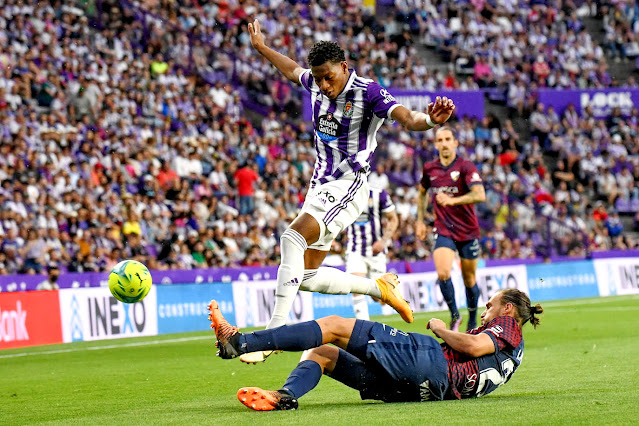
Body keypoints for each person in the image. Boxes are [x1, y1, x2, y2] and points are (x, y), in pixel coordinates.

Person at [241, 20, 456, 362]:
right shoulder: (314, 81)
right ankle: (379, 288)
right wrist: (262, 48)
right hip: (319, 185)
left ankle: (272, 335)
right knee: (305, 276)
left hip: (350, 184)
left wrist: (430, 121)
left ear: (344, 66)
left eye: (329, 77)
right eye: (319, 78)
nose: (324, 85)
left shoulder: (367, 92)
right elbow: (292, 70)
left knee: (291, 239)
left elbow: (407, 117)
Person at [207, 288, 543, 411]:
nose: (485, 311)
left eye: (490, 305)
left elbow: (472, 345)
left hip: (429, 363)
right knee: (322, 352)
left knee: (337, 325)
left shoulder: (509, 327)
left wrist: (441, 329)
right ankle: (285, 397)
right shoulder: (514, 350)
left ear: (508, 309)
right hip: (427, 391)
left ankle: (241, 341)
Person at [416, 127, 486, 332]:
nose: (444, 143)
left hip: (467, 230)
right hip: (444, 229)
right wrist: (420, 221)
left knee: (469, 278)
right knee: (443, 272)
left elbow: (479, 194)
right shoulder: (430, 168)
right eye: (440, 140)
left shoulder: (466, 167)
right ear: (436, 144)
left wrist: (452, 200)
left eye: (448, 139)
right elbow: (421, 193)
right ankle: (455, 315)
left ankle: (473, 318)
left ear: (456, 142)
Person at [345, 186, 399, 320]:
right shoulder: (344, 191)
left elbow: (393, 218)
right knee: (356, 287)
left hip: (376, 252)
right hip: (355, 249)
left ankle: (390, 291)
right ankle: (363, 330)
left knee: (377, 297)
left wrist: (384, 241)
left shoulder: (378, 193)